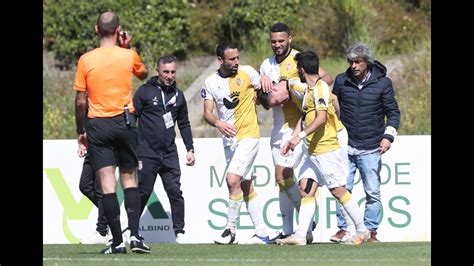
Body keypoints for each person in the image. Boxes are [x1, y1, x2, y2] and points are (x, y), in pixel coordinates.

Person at [73, 11, 150, 254]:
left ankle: (117, 242)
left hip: (98, 125)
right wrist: (127, 46)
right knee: (129, 179)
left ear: (97, 30)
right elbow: (144, 73)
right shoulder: (129, 55)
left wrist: (80, 130)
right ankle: (136, 237)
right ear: (118, 31)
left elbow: (80, 101)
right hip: (125, 123)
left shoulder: (86, 59)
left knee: (107, 184)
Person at [277, 51, 370, 245]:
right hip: (312, 152)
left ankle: (362, 230)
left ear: (301, 70)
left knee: (338, 190)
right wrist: (293, 139)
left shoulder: (320, 88)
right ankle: (301, 236)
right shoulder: (309, 91)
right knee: (305, 189)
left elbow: (320, 118)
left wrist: (300, 137)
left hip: (326, 149)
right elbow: (306, 119)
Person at [258, 22, 334, 243]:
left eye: (281, 41)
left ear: (290, 39)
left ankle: (306, 221)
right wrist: (265, 93)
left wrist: (294, 85)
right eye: (274, 41)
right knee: (283, 181)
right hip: (277, 126)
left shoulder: (300, 59)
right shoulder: (266, 65)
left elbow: (326, 80)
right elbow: (264, 102)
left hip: (297, 127)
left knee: (283, 174)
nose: (278, 45)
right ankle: (288, 229)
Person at [331, 42, 400, 243]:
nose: (354, 66)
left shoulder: (383, 83)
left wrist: (388, 137)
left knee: (372, 192)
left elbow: (393, 113)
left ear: (367, 62)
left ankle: (370, 232)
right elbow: (334, 110)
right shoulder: (341, 81)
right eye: (351, 62)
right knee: (342, 189)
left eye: (358, 62)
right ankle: (344, 229)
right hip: (345, 146)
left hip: (371, 147)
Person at [202, 41, 270, 245]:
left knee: (232, 180)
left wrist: (265, 78)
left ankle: (229, 231)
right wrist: (218, 123)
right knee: (245, 185)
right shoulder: (211, 82)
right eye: (232, 59)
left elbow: (264, 89)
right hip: (229, 140)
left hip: (249, 136)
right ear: (220, 60)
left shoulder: (248, 72)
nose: (237, 62)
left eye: (238, 57)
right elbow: (207, 113)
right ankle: (262, 233)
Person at [133, 55, 195, 243]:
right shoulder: (144, 92)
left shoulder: (179, 96)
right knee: (143, 192)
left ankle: (180, 232)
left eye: (173, 72)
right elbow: (131, 119)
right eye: (166, 72)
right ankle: (132, 232)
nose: (169, 76)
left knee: (175, 192)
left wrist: (190, 149)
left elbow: (184, 124)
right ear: (157, 71)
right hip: (146, 153)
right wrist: (132, 149)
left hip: (169, 153)